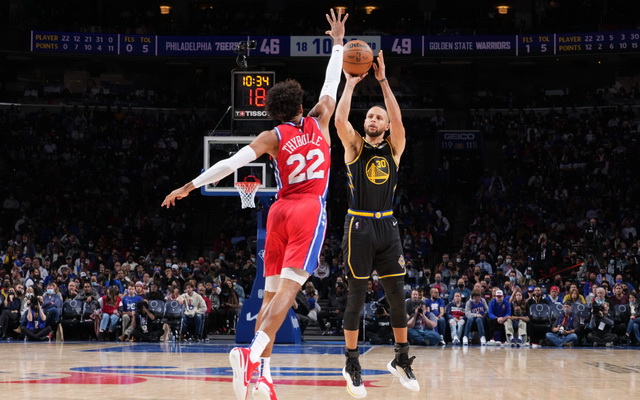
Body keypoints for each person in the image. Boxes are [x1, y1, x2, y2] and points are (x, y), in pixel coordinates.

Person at [161, 10, 347, 400]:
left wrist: (190, 185)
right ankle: (251, 353)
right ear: (301, 103)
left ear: (274, 111)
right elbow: (332, 81)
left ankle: (261, 375)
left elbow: (230, 165)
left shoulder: (270, 137)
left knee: (270, 296)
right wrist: (337, 43)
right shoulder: (320, 118)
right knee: (289, 294)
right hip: (309, 209)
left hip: (279, 211)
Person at [334, 41, 418, 397]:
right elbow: (340, 120)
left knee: (397, 296)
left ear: (385, 126)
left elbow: (399, 120)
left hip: (388, 226)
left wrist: (383, 82)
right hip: (359, 225)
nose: (373, 119)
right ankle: (352, 363)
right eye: (370, 116)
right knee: (356, 296)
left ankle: (401, 358)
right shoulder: (354, 146)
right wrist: (350, 83)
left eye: (378, 117)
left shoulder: (394, 147)